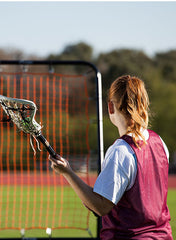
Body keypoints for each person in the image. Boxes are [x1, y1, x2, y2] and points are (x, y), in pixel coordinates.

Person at [49, 75, 173, 239]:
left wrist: (68, 172)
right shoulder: (160, 142)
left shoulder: (121, 151)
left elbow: (101, 206)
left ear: (110, 107)